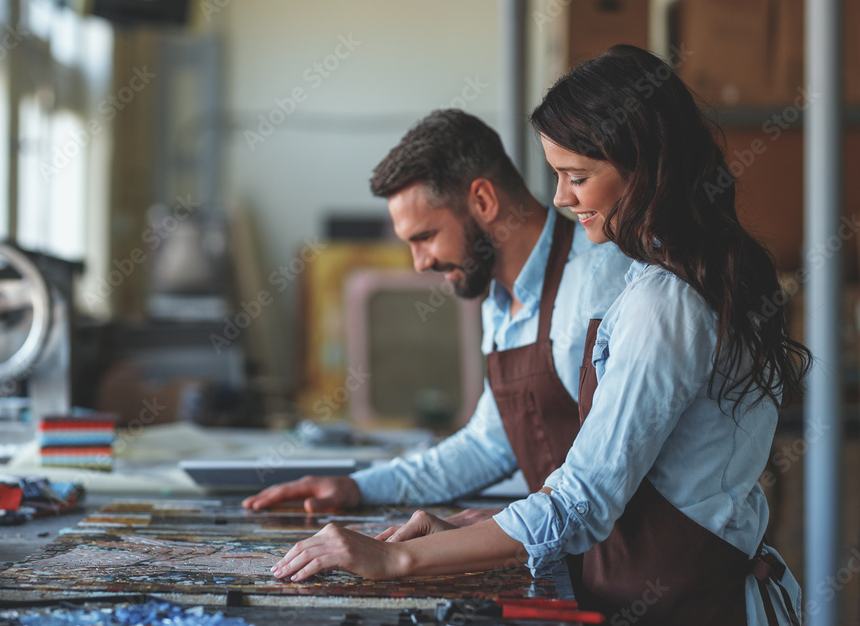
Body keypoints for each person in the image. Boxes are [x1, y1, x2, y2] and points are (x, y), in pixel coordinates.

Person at [268, 46, 810, 626]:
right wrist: (444, 523)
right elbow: (566, 470)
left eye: (577, 177)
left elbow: (583, 499)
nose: (560, 197)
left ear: (647, 170)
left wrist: (396, 558)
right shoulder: (663, 286)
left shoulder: (659, 300)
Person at [242, 109, 632, 525]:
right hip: (578, 560)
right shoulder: (499, 300)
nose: (419, 263)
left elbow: (623, 468)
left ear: (482, 201)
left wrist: (492, 526)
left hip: (632, 573)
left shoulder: (602, 282)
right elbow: (488, 446)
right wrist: (357, 486)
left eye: (425, 237)